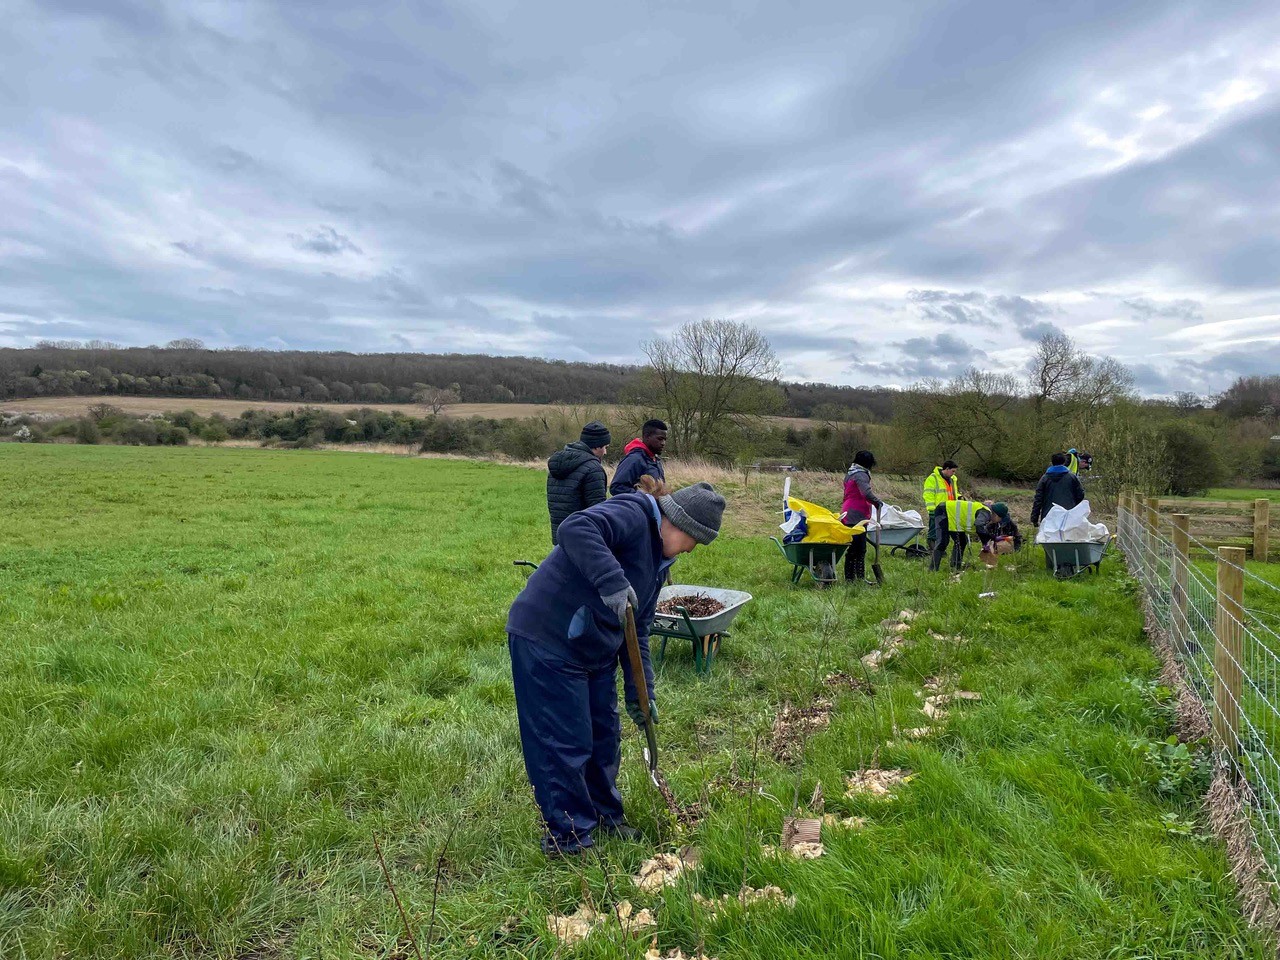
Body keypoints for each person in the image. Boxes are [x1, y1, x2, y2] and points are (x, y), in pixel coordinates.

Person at [506, 481, 725, 856]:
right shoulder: (633, 514)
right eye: (693, 541)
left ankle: (605, 815)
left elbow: (638, 629)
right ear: (678, 522)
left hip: (593, 646)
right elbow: (575, 527)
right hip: (548, 637)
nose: (690, 550)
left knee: (604, 737)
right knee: (564, 741)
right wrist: (611, 580)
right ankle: (569, 838)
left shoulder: (658, 564)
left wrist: (642, 692)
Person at [546, 421, 611, 545]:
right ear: (596, 446)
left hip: (559, 535)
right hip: (583, 538)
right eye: (605, 447)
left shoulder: (556, 465)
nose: (605, 452)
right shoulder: (594, 469)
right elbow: (598, 509)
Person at [841, 450, 884, 583]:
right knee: (859, 549)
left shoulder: (850, 473)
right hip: (857, 514)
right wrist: (877, 502)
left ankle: (852, 578)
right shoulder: (861, 475)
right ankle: (857, 578)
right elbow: (866, 493)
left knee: (854, 548)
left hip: (849, 511)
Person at [929, 498, 997, 572]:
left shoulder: (982, 509)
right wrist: (986, 543)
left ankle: (955, 567)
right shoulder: (985, 512)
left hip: (953, 516)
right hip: (944, 510)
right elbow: (979, 525)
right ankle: (932, 569)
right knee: (942, 541)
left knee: (962, 541)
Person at [609, 419, 668, 496]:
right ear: (646, 437)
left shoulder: (656, 460)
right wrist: (644, 496)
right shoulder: (634, 459)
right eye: (660, 439)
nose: (663, 443)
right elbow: (616, 487)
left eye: (665, 440)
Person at [1031, 452, 1086, 527]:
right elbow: (1080, 495)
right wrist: (1073, 506)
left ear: (1052, 462)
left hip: (1048, 516)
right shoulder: (1072, 477)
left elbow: (1038, 499)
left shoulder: (1044, 478)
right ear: (1064, 462)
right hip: (1067, 516)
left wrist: (1034, 518)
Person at [922, 460, 960, 549]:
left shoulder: (953, 479)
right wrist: (931, 509)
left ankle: (940, 549)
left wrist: (959, 497)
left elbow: (953, 493)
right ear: (947, 469)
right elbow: (928, 494)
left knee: (944, 531)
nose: (954, 473)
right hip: (937, 509)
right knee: (934, 531)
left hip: (949, 509)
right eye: (953, 471)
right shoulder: (933, 478)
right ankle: (932, 549)